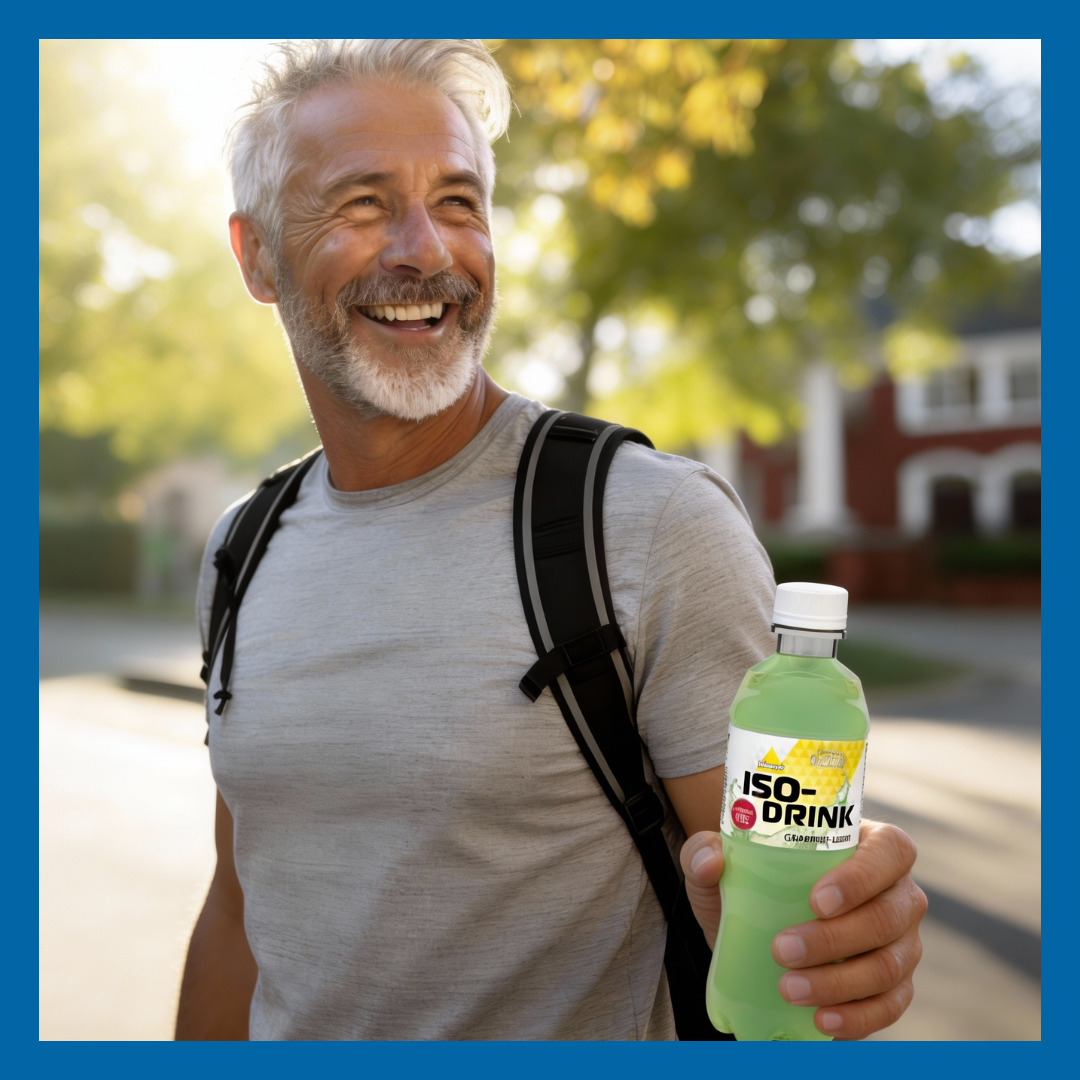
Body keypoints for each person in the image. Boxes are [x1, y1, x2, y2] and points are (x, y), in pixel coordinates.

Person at [175, 39, 926, 1041]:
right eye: (362, 203)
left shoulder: (649, 525)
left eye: (457, 200)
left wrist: (844, 941)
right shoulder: (242, 549)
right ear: (256, 254)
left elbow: (784, 920)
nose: (427, 251)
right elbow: (238, 906)